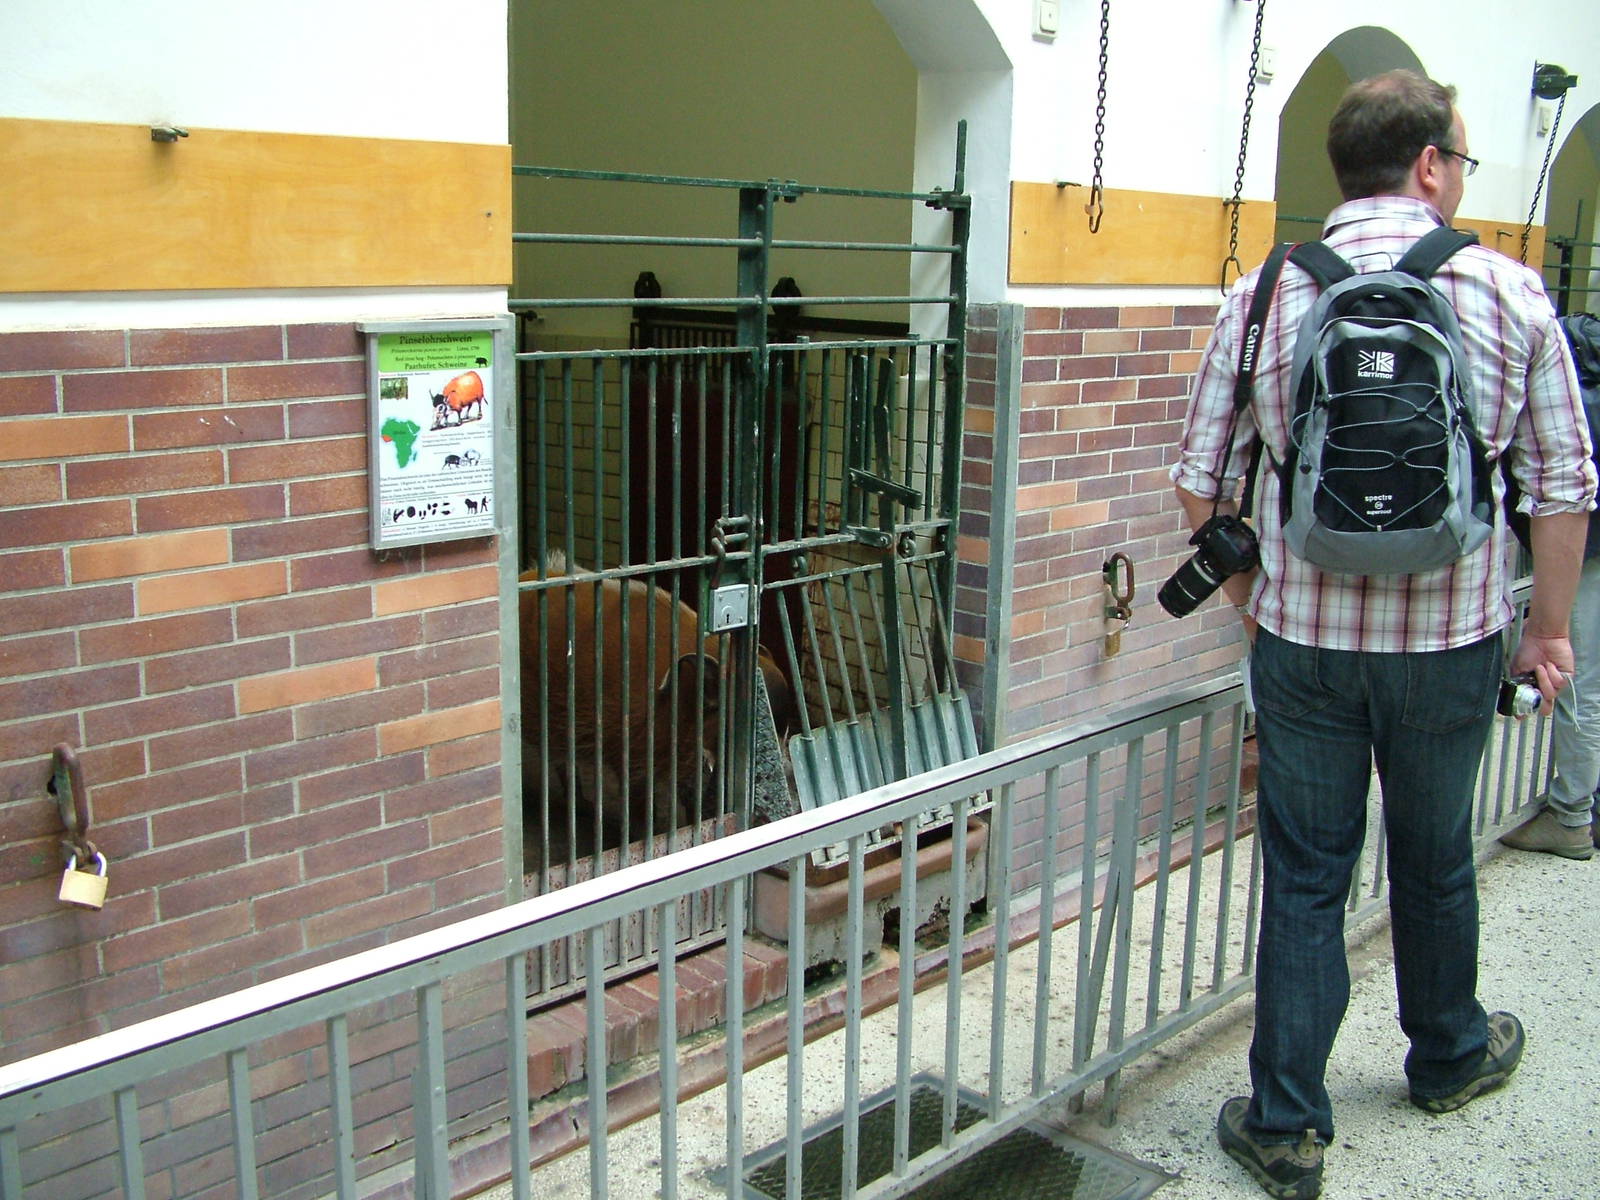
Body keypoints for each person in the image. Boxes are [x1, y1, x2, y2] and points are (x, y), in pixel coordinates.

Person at [1170, 70, 1595, 1200]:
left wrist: (1250, 603)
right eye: (1458, 160)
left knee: (1307, 876)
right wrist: (1543, 631)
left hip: (1302, 649)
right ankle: (1449, 1056)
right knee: (1432, 855)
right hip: (1452, 642)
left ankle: (1286, 1124)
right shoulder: (1509, 294)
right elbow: (1561, 485)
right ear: (1427, 164)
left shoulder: (1263, 295)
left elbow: (1199, 481)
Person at [1500, 312, 1600, 860]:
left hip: (1585, 558)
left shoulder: (1569, 402)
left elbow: (1557, 487)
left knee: (1580, 689)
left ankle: (1571, 816)